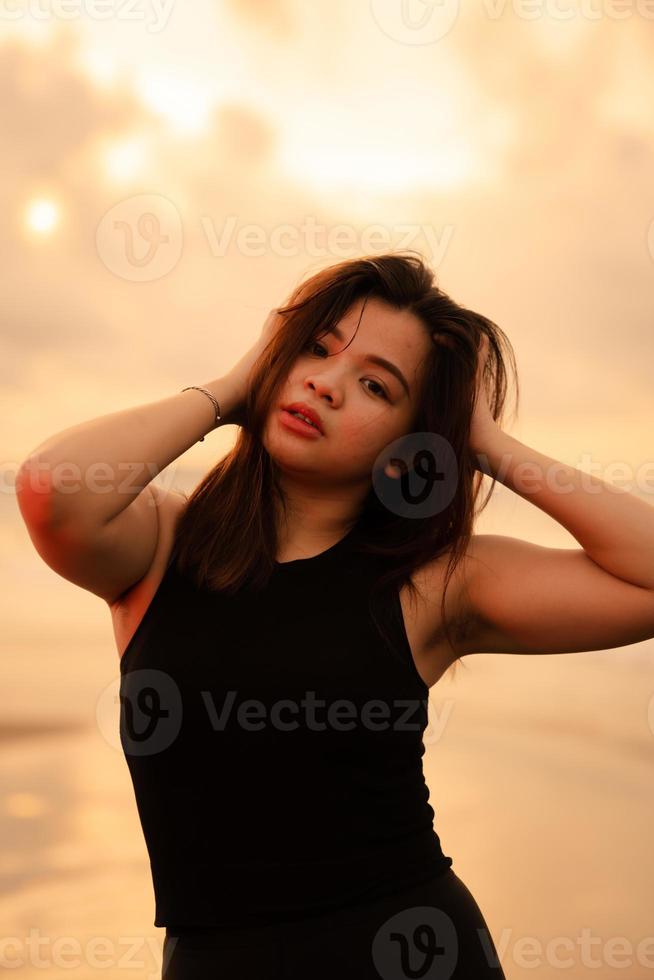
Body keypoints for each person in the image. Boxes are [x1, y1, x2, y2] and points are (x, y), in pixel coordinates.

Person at [18, 252, 654, 979]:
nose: (325, 383)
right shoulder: (160, 545)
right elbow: (50, 488)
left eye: (376, 386)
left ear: (408, 438)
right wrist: (231, 388)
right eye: (316, 350)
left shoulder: (436, 582)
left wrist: (486, 445)